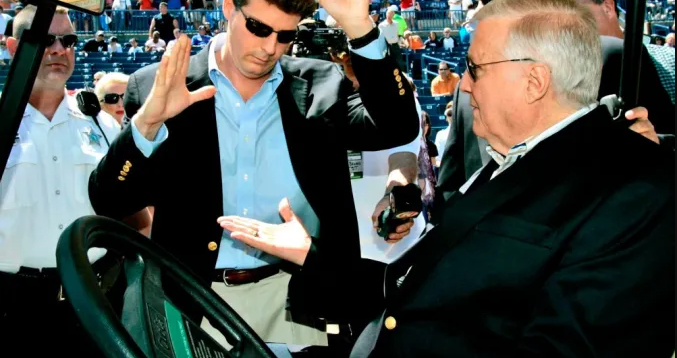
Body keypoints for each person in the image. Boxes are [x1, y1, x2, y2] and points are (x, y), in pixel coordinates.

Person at [217, 0, 675, 356]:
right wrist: (311, 257)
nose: (464, 85)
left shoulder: (634, 193)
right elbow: (417, 286)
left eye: (475, 69)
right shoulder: (504, 163)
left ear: (535, 81)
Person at [88, 0, 419, 353]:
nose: (269, 48)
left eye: (285, 36)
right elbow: (110, 201)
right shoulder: (158, 85)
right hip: (191, 297)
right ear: (230, 7)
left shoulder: (320, 83)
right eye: (259, 28)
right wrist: (147, 124)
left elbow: (397, 128)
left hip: (297, 301)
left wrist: (358, 25)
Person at [0, 5, 150, 356]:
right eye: (45, 39)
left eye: (67, 40)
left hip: (94, 299)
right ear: (12, 47)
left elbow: (136, 218)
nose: (58, 49)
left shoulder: (101, 125)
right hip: (12, 306)